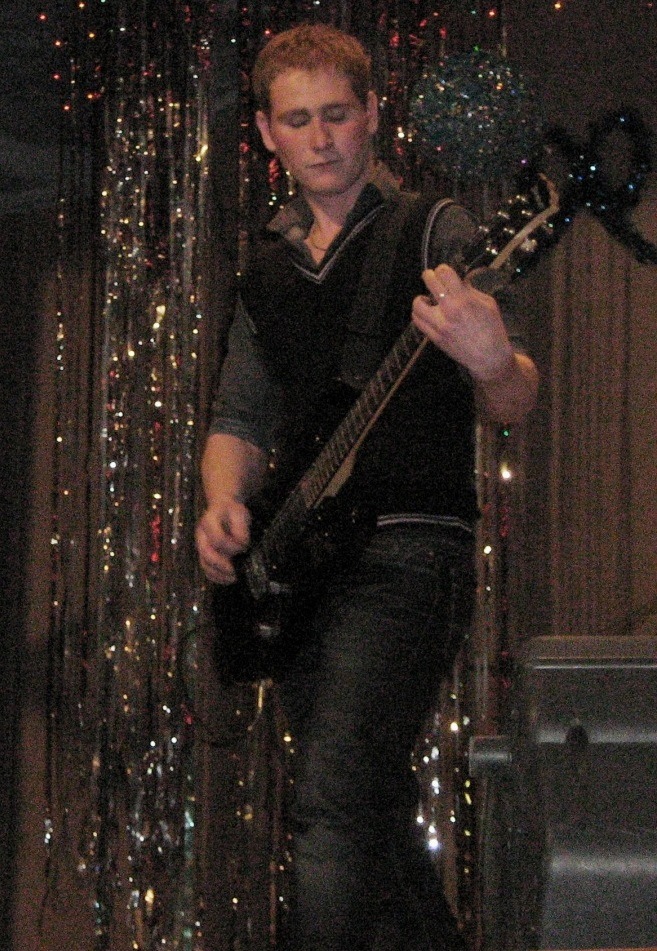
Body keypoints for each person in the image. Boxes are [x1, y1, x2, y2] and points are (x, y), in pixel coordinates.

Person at [196, 22, 539, 951]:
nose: (319, 139)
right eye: (296, 119)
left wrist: (490, 357)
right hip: (302, 565)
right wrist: (221, 504)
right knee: (362, 806)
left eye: (337, 114)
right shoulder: (267, 271)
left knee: (333, 800)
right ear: (264, 133)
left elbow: (513, 396)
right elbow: (238, 417)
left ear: (374, 115)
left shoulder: (434, 230)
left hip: (409, 546)